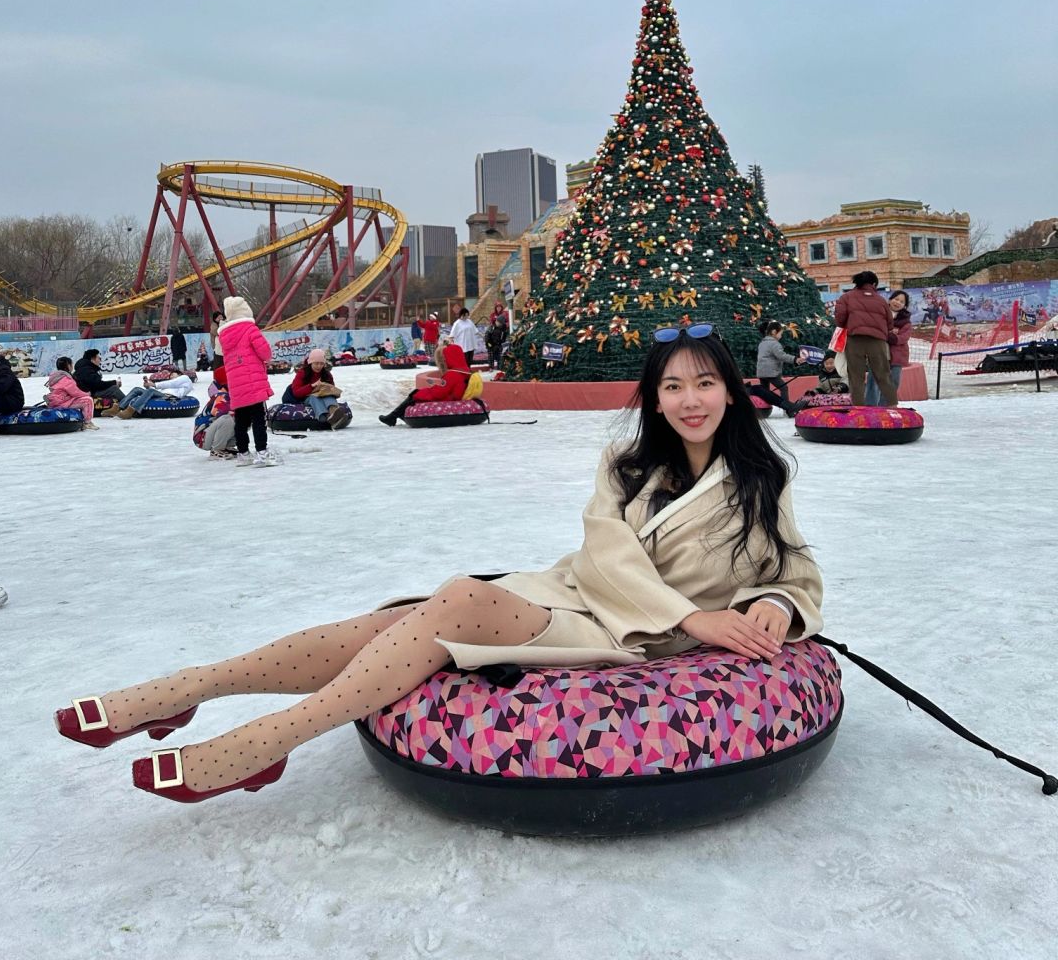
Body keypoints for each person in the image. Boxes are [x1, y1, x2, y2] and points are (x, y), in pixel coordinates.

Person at [55, 323, 822, 804]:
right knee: (390, 623)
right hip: (583, 592)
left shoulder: (762, 480)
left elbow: (795, 572)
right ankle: (188, 690)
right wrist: (694, 609)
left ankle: (261, 741)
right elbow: (605, 550)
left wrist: (774, 608)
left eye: (706, 383)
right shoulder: (626, 464)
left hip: (641, 636)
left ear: (730, 390)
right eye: (673, 387)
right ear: (654, 400)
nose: (691, 400)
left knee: (455, 598)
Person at [218, 296, 278, 467]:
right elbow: (265, 352)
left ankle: (243, 453)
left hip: (236, 384)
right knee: (258, 418)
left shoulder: (224, 335)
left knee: (241, 420)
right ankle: (262, 452)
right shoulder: (250, 329)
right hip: (253, 381)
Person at [833, 271, 897, 407]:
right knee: (883, 373)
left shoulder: (846, 297)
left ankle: (859, 408)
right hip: (877, 341)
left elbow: (840, 318)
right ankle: (892, 405)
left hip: (855, 340)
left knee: (856, 376)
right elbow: (890, 323)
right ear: (874, 284)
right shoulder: (881, 300)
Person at [377, 343, 472, 426]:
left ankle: (393, 417)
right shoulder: (464, 372)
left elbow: (439, 393)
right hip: (452, 397)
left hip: (448, 399)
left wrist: (427, 391)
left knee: (415, 394)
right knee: (417, 393)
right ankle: (394, 416)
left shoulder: (452, 374)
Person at [865, 290, 912, 406]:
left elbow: (904, 337)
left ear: (904, 306)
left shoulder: (905, 321)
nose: (898, 303)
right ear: (890, 300)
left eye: (901, 301)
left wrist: (891, 336)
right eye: (896, 299)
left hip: (897, 356)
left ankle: (884, 408)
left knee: (893, 382)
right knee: (873, 381)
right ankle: (869, 407)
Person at [754, 322, 804, 413]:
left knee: (765, 392)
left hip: (761, 372)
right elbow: (781, 356)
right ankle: (789, 409)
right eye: (780, 333)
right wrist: (795, 359)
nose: (781, 336)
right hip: (771, 372)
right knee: (784, 388)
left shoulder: (762, 343)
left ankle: (764, 410)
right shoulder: (774, 344)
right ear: (774, 332)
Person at [287, 349, 346, 427]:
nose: (319, 366)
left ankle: (334, 412)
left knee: (328, 395)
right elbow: (296, 392)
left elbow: (332, 389)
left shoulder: (326, 374)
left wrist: (327, 388)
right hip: (305, 398)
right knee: (314, 397)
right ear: (311, 363)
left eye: (321, 364)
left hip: (323, 395)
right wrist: (312, 386)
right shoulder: (302, 373)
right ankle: (323, 416)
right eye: (316, 363)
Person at [193, 365, 236, 459]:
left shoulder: (227, 394)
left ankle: (227, 446)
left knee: (244, 419)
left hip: (210, 432)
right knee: (228, 418)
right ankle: (217, 449)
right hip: (202, 437)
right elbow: (219, 412)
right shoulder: (220, 395)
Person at [45, 358, 97, 427]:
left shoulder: (56, 376)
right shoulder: (65, 378)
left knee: (79, 399)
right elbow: (75, 392)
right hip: (61, 402)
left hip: (56, 401)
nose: (72, 366)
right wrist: (88, 394)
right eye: (71, 364)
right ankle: (87, 423)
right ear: (68, 366)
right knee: (88, 400)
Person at [117, 372, 194, 418]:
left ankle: (130, 411)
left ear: (179, 374)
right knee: (137, 389)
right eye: (170, 376)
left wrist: (154, 385)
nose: (171, 376)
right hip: (161, 394)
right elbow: (157, 390)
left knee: (150, 390)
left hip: (169, 396)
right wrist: (148, 385)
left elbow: (172, 383)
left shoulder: (185, 378)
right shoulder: (169, 384)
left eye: (173, 374)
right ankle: (118, 407)